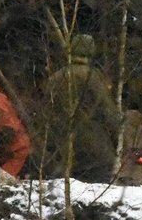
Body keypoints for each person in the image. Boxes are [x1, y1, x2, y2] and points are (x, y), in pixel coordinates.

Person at [46, 33, 121, 182]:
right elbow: (108, 111)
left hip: (64, 148)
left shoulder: (54, 79)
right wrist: (118, 133)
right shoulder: (93, 77)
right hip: (95, 148)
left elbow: (47, 115)